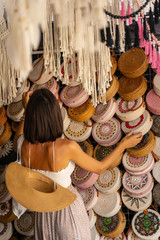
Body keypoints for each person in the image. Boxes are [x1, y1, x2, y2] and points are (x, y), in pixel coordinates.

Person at [13, 88, 143, 240]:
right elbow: (99, 168)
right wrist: (122, 145)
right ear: (54, 115)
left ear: (32, 116)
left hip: (44, 211)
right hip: (66, 209)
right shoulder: (66, 147)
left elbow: (19, 136)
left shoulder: (23, 145)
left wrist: (27, 111)